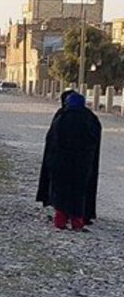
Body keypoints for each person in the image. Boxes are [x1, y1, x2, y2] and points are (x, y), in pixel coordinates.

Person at [37, 90, 101, 230]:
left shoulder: (62, 117)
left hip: (61, 163)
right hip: (82, 164)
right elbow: (93, 141)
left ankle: (60, 221)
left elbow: (52, 140)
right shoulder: (89, 118)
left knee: (61, 192)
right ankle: (77, 222)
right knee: (79, 192)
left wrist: (51, 161)